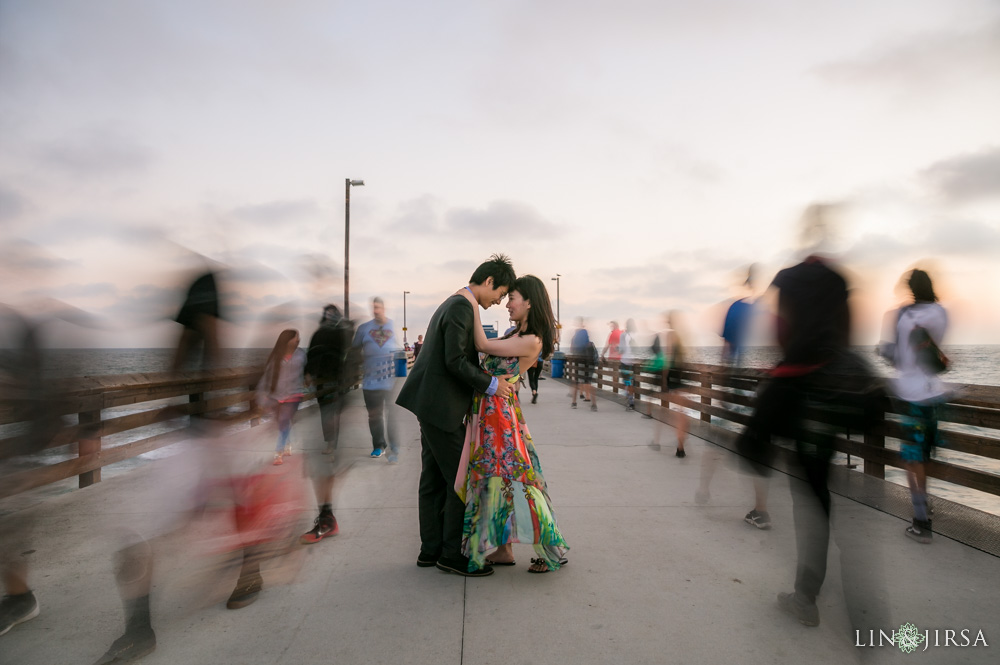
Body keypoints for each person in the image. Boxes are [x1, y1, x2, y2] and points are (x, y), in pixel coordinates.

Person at [396, 254, 517, 577]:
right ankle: (451, 555)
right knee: (461, 480)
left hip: (431, 404)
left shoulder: (456, 303)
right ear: (488, 281)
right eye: (500, 293)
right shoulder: (462, 307)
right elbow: (454, 360)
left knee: (434, 479)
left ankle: (430, 550)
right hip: (441, 407)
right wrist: (492, 384)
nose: (498, 301)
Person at [457, 275, 569, 573]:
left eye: (513, 298)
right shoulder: (512, 334)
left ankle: (550, 551)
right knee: (498, 479)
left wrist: (471, 300)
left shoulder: (531, 340)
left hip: (500, 418)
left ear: (529, 302)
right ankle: (503, 549)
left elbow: (480, 343)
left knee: (518, 477)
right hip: (489, 414)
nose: (507, 303)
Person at [879, 269, 949, 544]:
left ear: (910, 288)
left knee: (912, 458)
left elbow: (891, 356)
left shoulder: (901, 316)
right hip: (933, 393)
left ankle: (921, 520)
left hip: (910, 395)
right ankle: (925, 503)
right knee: (924, 455)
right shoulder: (941, 313)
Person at [300, 305, 355, 544]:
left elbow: (313, 357)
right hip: (332, 389)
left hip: (334, 389)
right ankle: (327, 517)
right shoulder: (335, 333)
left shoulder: (331, 333)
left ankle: (326, 518)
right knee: (323, 466)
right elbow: (313, 358)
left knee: (323, 468)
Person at [353, 297, 402, 461]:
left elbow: (396, 349)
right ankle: (378, 446)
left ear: (383, 308)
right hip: (370, 381)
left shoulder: (392, 325)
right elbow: (354, 351)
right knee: (374, 415)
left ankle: (393, 445)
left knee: (391, 413)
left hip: (389, 379)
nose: (376, 311)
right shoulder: (363, 329)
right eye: (373, 308)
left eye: (378, 307)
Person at [257, 330, 306, 466]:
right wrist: (262, 397)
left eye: (298, 338)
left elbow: (307, 370)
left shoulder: (301, 354)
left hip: (294, 395)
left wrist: (308, 379)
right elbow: (266, 378)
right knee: (283, 423)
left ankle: (278, 453)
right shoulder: (276, 357)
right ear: (287, 340)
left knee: (284, 420)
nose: (298, 340)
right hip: (277, 396)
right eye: (296, 338)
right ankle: (287, 442)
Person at [650, 311, 688, 457]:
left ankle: (677, 445)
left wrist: (664, 377)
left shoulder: (671, 335)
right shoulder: (680, 336)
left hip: (672, 374)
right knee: (680, 411)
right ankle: (679, 443)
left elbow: (668, 357)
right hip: (680, 373)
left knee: (669, 412)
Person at [570, 317, 595, 410]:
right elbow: (587, 344)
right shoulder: (585, 332)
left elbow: (572, 349)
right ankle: (591, 401)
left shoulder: (576, 335)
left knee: (576, 381)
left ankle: (574, 402)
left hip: (578, 359)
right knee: (587, 380)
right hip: (587, 360)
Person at [619, 318, 639, 411]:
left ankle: (628, 399)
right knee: (630, 382)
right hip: (632, 362)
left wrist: (616, 348)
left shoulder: (623, 335)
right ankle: (631, 403)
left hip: (624, 361)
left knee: (626, 382)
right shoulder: (635, 335)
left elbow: (621, 350)